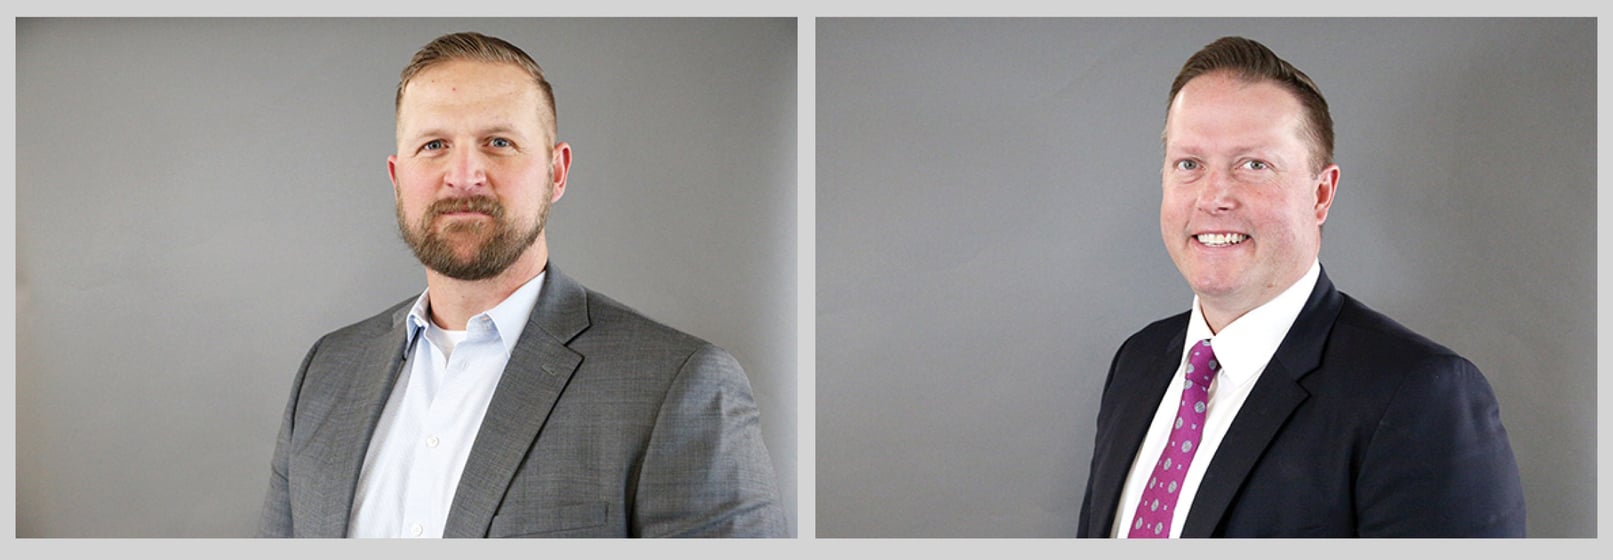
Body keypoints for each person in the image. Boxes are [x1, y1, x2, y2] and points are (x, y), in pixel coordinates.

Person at [257, 31, 786, 538]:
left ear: (557, 173)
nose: (464, 175)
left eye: (499, 142)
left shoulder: (680, 388)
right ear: (397, 179)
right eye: (435, 144)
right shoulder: (325, 374)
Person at [1077, 36, 1525, 538]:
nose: (1214, 197)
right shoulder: (1138, 362)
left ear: (1321, 194)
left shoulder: (1420, 395)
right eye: (1189, 164)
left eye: (1254, 165)